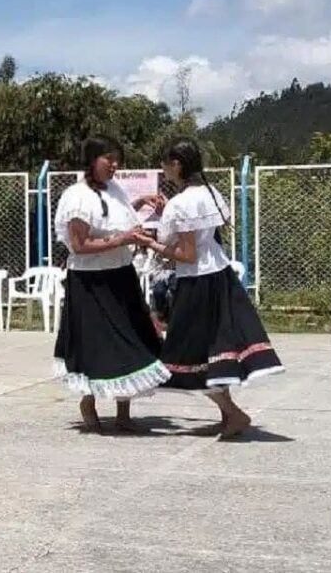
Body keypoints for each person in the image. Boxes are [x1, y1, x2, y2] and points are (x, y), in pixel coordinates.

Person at [135, 137, 284, 438]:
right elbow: (203, 236)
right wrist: (169, 216)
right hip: (220, 276)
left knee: (186, 355)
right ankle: (228, 415)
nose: (164, 171)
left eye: (165, 165)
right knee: (216, 351)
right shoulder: (210, 192)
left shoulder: (183, 202)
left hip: (197, 283)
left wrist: (150, 242)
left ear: (176, 164)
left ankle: (235, 414)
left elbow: (186, 253)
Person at [53, 134, 168, 433]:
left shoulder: (114, 189)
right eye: (109, 159)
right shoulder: (76, 196)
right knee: (93, 345)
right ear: (92, 161)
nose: (115, 165)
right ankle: (88, 402)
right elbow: (79, 245)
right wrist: (122, 239)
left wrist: (139, 208)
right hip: (90, 282)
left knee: (132, 339)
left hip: (120, 274)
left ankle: (123, 410)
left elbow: (112, 216)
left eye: (117, 159)